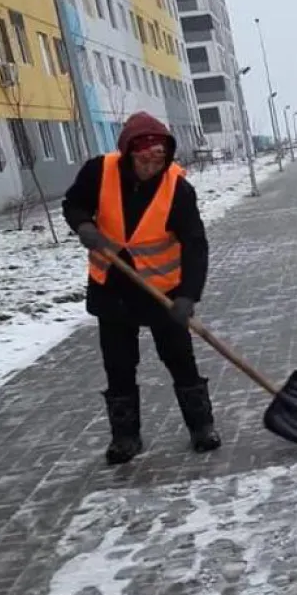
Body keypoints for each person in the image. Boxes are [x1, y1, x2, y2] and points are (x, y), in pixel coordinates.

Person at [62, 111, 217, 465]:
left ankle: (201, 426)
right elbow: (74, 203)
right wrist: (83, 225)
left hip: (163, 291)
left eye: (160, 156)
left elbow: (195, 244)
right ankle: (125, 438)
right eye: (146, 156)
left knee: (180, 360)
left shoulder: (177, 188)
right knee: (118, 365)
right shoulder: (98, 172)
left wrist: (188, 296)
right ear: (130, 152)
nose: (153, 164)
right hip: (112, 288)